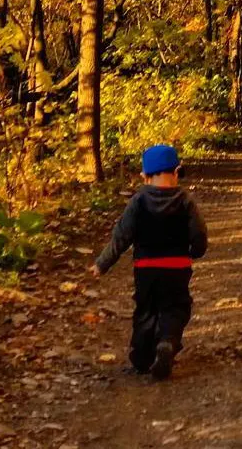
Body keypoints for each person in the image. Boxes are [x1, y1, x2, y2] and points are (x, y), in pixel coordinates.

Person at [91, 144, 208, 379]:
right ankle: (167, 342)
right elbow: (199, 233)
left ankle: (142, 358)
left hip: (146, 268)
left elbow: (121, 235)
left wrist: (102, 263)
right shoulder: (185, 200)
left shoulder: (138, 201)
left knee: (146, 311)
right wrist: (196, 250)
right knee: (175, 308)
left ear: (144, 176)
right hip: (177, 267)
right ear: (176, 172)